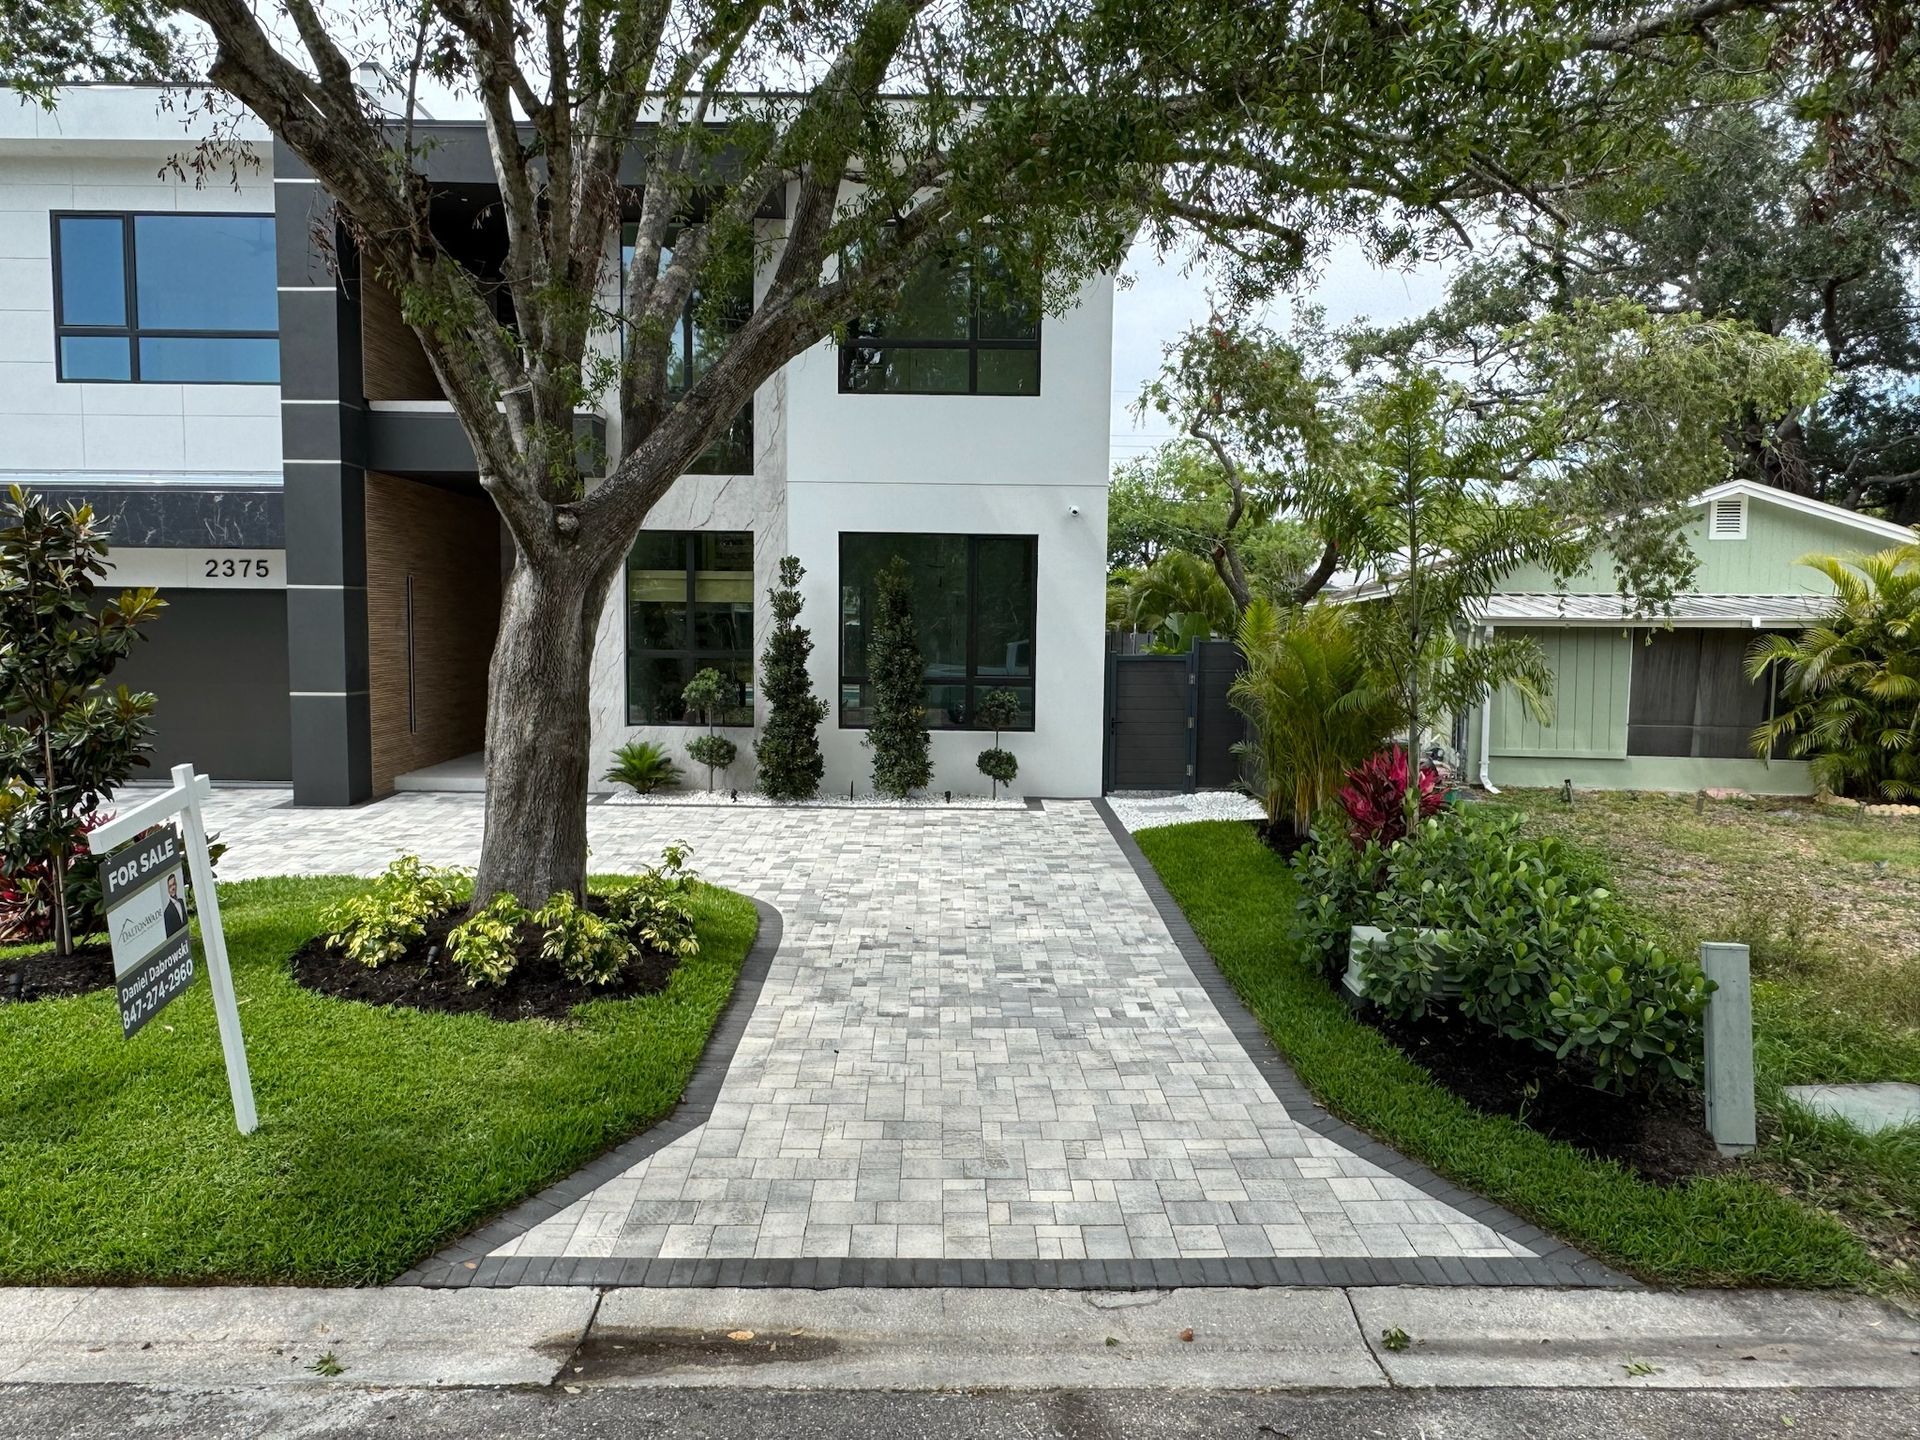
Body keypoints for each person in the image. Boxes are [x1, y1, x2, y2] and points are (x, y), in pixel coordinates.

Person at [161, 871, 188, 937]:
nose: (173, 888)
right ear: (167, 889)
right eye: (170, 886)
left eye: (174, 884)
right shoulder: (167, 912)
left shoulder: (181, 902)